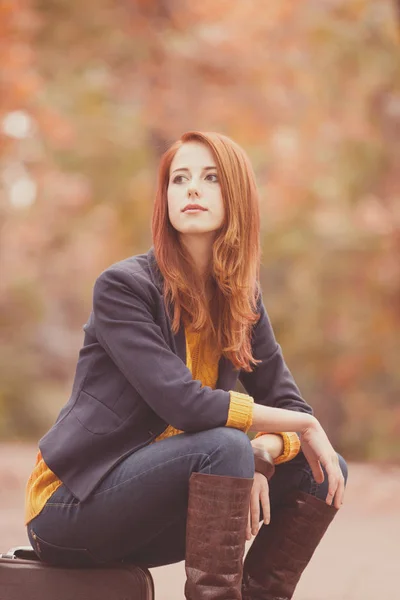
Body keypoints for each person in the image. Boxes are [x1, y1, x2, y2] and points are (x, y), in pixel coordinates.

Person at [24, 131, 348, 599]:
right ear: (166, 199)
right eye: (179, 179)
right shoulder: (123, 288)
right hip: (72, 507)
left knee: (322, 469)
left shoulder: (241, 300)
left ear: (236, 197)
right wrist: (301, 425)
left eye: (210, 178)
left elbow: (285, 398)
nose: (191, 188)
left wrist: (263, 455)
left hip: (157, 511)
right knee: (225, 446)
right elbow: (185, 406)